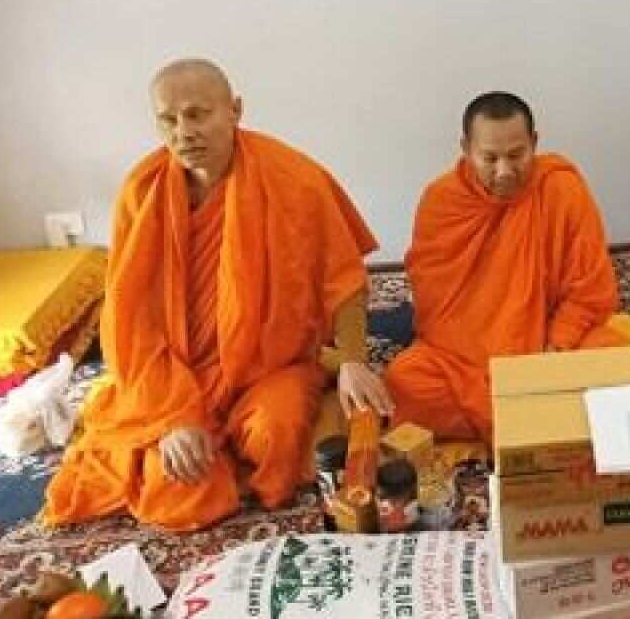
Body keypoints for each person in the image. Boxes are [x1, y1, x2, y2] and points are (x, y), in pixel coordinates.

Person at [42, 59, 378, 531]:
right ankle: (208, 451)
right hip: (177, 373)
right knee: (178, 496)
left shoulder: (294, 179)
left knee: (276, 436)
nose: (184, 132)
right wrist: (171, 418)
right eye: (169, 119)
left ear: (235, 110)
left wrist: (354, 360)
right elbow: (131, 322)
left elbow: (343, 278)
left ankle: (239, 447)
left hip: (269, 361)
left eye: (198, 114)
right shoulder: (142, 193)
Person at [382, 92, 630, 441]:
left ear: (534, 143)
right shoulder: (441, 201)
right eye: (489, 158)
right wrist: (497, 361)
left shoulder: (561, 189)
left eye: (517, 155)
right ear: (466, 149)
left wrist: (556, 346)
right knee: (406, 382)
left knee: (621, 365)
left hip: (548, 343)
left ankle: (519, 422)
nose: (504, 171)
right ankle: (551, 423)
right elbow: (437, 308)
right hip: (467, 360)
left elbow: (590, 288)